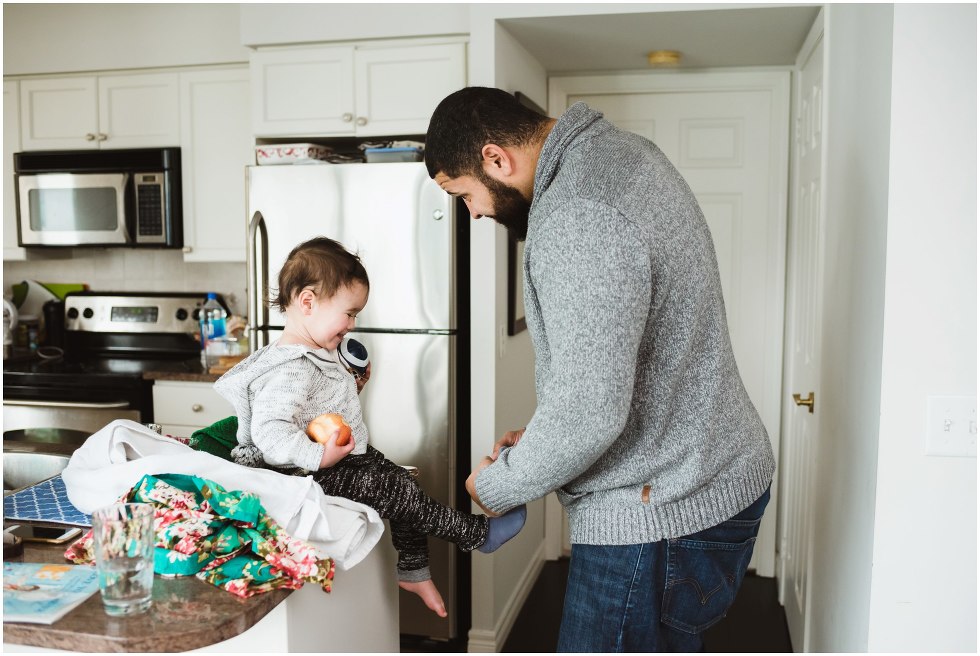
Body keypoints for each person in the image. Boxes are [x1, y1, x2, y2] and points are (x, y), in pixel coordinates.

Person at [424, 87, 776, 651]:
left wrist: (496, 485)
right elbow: (607, 365)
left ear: (495, 159)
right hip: (707, 471)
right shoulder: (624, 154)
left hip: (658, 512)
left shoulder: (577, 215)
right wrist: (544, 438)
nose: (475, 213)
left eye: (463, 194)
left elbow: (590, 412)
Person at [214, 236, 526, 618]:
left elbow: (316, 412)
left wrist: (352, 387)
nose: (352, 324)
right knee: (388, 488)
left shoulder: (317, 354)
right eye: (348, 313)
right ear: (308, 302)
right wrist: (318, 455)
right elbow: (271, 432)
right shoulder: (288, 367)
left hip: (333, 458)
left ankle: (413, 569)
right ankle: (476, 534)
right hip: (297, 472)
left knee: (403, 482)